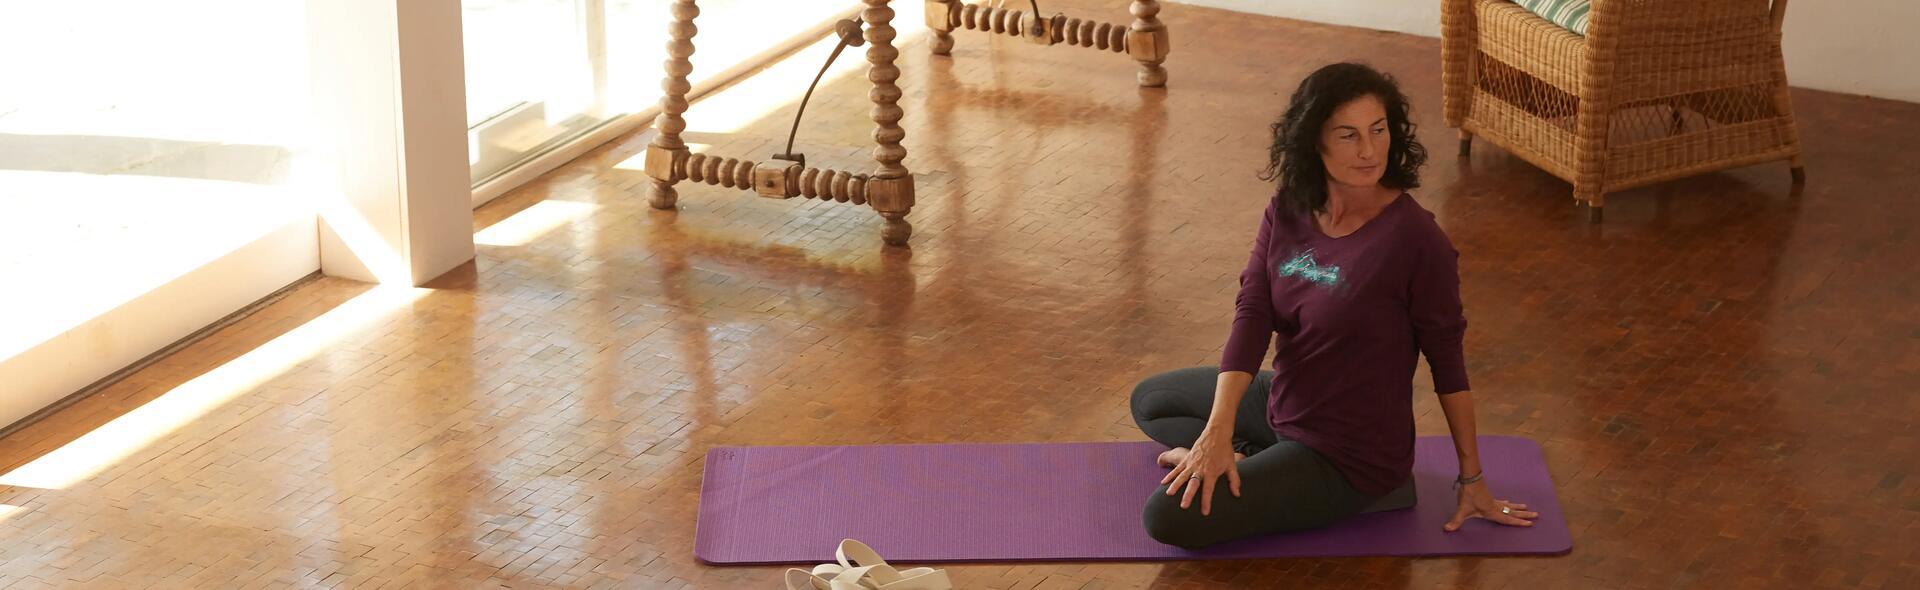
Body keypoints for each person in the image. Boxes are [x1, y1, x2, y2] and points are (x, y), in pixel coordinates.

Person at [1128, 62, 1538, 549]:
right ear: (1313, 141)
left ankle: (1368, 488)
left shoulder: (1416, 240)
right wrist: (1217, 433)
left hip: (1349, 453)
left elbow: (1447, 361)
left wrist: (1471, 479)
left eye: (1379, 130)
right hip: (1288, 401)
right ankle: (1251, 458)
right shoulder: (1289, 208)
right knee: (1153, 401)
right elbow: (1254, 314)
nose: (1369, 150)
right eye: (1348, 135)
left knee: (1167, 517)